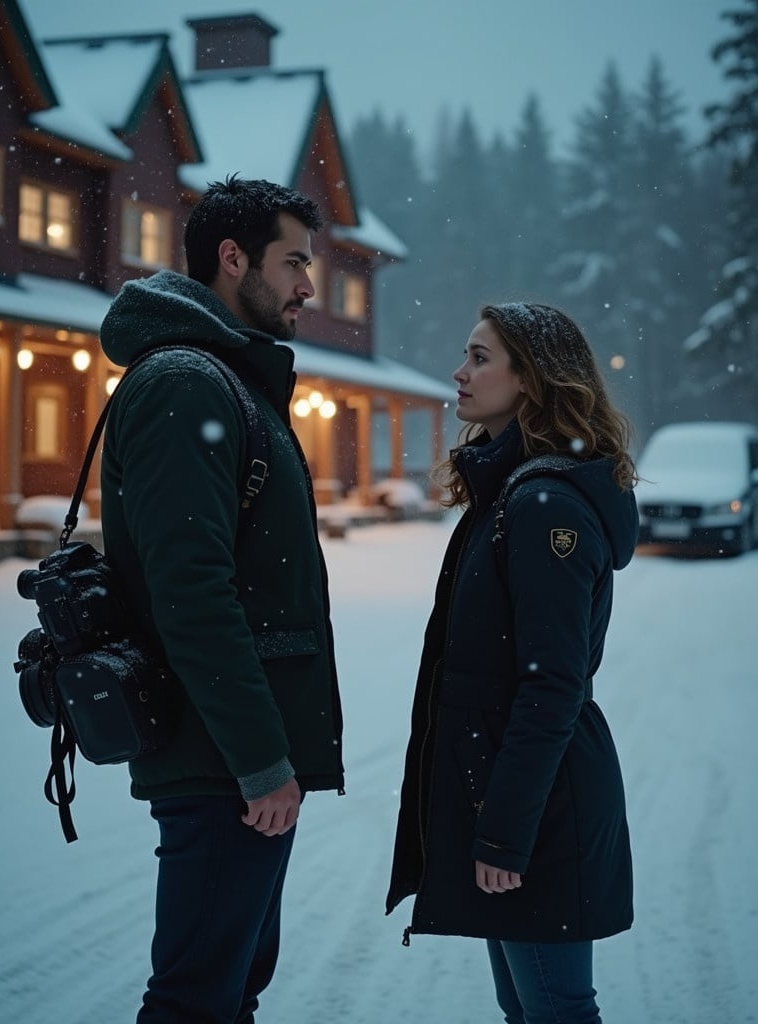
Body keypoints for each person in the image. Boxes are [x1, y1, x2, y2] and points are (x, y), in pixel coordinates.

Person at [99, 175, 344, 1024]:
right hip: (221, 762)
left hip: (235, 757)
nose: (308, 288)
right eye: (294, 263)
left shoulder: (227, 380)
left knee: (230, 987)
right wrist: (258, 760)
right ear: (232, 259)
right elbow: (190, 592)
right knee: (198, 999)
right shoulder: (186, 384)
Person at [386, 303, 637, 1023]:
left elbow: (551, 684)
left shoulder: (543, 505)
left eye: (479, 357)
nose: (459, 373)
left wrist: (504, 830)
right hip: (511, 793)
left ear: (529, 378)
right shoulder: (514, 493)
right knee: (529, 1010)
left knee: (556, 1010)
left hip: (538, 804)